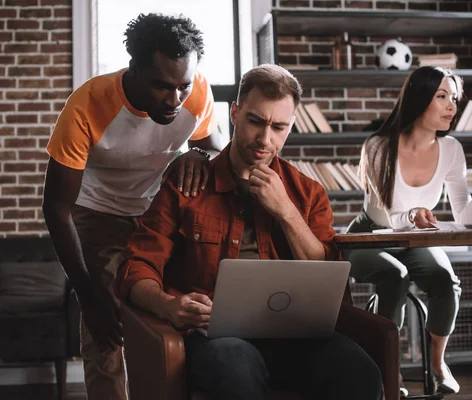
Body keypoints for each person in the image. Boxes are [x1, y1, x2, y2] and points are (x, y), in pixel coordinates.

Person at [115, 64, 383, 400]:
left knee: (361, 374)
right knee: (236, 367)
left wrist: (286, 211)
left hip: (295, 337)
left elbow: (331, 278)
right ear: (236, 113)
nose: (265, 139)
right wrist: (167, 305)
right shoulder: (188, 186)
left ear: (290, 127)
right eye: (256, 121)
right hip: (214, 338)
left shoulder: (308, 194)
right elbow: (135, 266)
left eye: (279, 127)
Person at [42, 13, 222, 400]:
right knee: (105, 331)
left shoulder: (197, 93)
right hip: (97, 213)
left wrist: (200, 155)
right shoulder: (87, 105)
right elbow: (56, 209)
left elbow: (217, 150)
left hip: (158, 214)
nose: (175, 100)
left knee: (174, 316)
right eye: (161, 86)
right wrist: (88, 298)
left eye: (183, 86)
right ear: (134, 69)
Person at [345, 66, 467, 396]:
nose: (452, 107)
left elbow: (463, 211)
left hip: (415, 240)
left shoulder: (452, 150)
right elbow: (385, 213)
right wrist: (413, 214)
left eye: (454, 98)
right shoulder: (377, 146)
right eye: (442, 96)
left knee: (446, 280)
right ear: (418, 98)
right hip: (367, 236)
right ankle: (389, 370)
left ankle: (439, 363)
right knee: (394, 276)